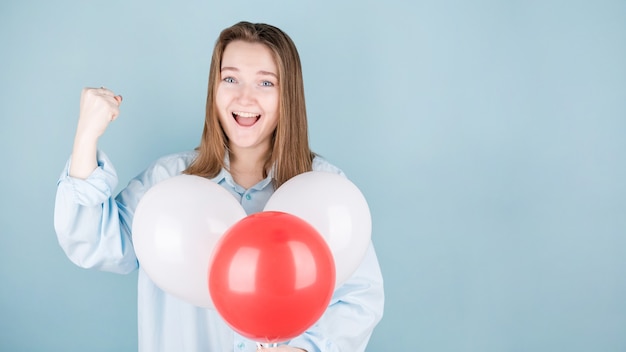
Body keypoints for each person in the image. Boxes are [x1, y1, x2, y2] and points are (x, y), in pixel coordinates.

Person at [54, 21, 384, 352]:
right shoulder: (168, 183)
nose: (244, 96)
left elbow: (360, 295)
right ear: (214, 87)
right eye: (230, 79)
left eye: (265, 83)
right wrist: (86, 135)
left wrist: (304, 349)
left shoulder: (324, 191)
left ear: (288, 95)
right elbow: (93, 241)